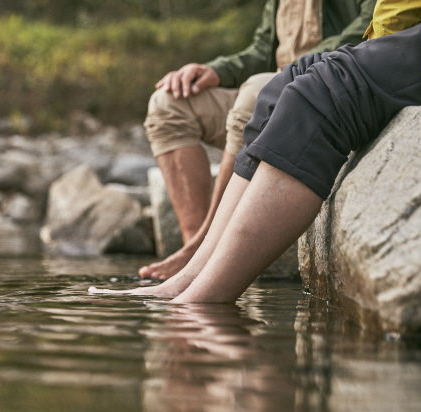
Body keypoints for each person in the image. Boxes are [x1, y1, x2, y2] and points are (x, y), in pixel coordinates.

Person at [92, 0, 421, 303]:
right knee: (279, 89)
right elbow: (264, 46)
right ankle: (191, 274)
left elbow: (378, 21)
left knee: (310, 92)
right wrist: (220, 69)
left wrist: (372, 52)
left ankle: (204, 297)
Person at [140, 0, 376, 281]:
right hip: (277, 88)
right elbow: (264, 50)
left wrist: (292, 71)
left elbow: (367, 30)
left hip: (326, 94)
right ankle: (195, 248)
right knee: (168, 103)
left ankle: (206, 250)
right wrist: (217, 70)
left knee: (255, 92)